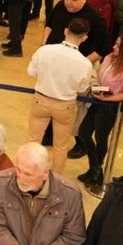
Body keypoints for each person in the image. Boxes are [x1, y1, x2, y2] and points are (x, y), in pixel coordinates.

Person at [0, 142, 86, 245]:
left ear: (45, 173)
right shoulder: (1, 183)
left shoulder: (70, 194)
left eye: (28, 174)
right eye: (18, 170)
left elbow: (73, 237)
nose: (20, 178)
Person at [27, 18, 96, 173]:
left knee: (33, 141)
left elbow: (31, 71)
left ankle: (29, 172)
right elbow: (82, 87)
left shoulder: (45, 50)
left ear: (66, 31)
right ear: (84, 37)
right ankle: (55, 178)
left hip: (41, 100)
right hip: (65, 105)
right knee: (60, 146)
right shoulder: (85, 63)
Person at [78, 33, 123, 193]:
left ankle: (96, 172)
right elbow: (99, 73)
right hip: (97, 101)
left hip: (110, 107)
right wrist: (96, 87)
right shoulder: (108, 58)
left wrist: (108, 98)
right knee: (84, 132)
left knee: (100, 137)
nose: (114, 47)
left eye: (118, 45)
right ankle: (95, 169)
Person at [43, 0, 111, 62]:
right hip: (51, 55)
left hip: (73, 61)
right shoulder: (60, 5)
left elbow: (104, 48)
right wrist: (44, 46)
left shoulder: (95, 17)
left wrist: (83, 63)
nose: (68, 2)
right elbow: (49, 26)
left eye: (74, 0)